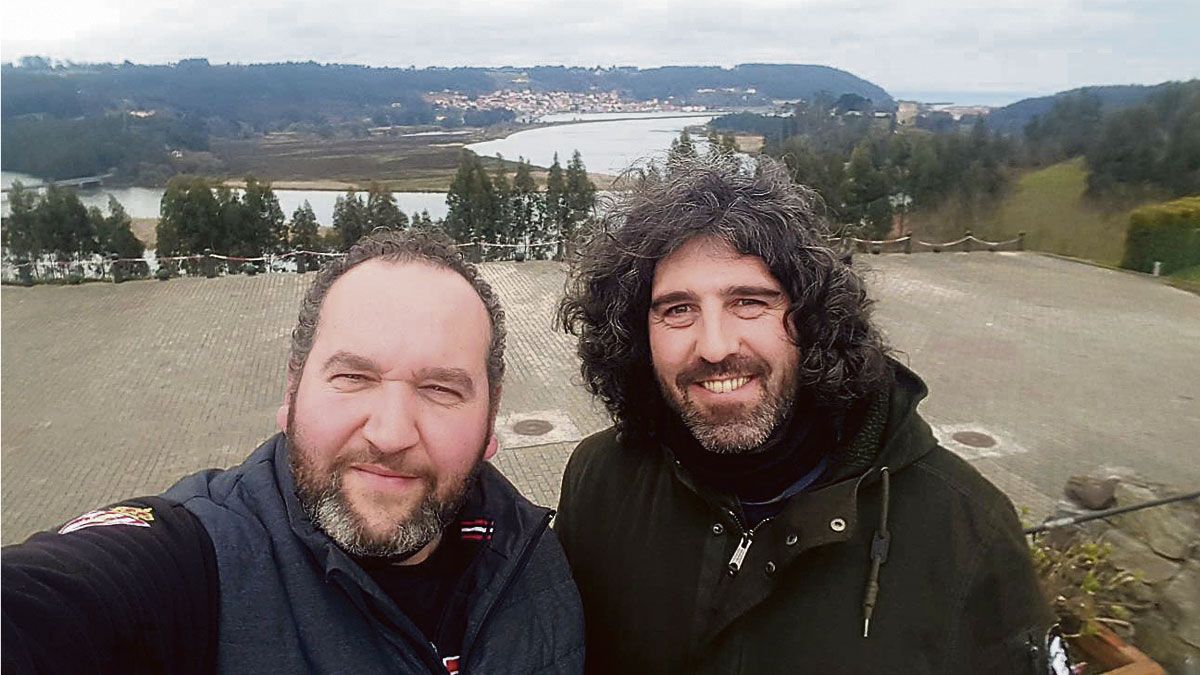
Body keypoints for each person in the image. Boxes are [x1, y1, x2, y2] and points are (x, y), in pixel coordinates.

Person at [554, 156, 1054, 674]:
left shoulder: (967, 531)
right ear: (638, 335)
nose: (714, 346)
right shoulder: (600, 481)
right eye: (677, 310)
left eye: (749, 302)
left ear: (814, 319)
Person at [2, 230, 584, 674]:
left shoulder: (540, 562)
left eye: (440, 389)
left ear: (490, 420)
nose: (389, 433)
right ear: (291, 393)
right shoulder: (195, 562)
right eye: (354, 377)